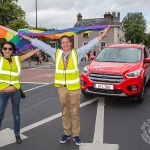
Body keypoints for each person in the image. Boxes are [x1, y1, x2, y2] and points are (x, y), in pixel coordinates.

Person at [21, 26, 110, 146]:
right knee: (65, 112)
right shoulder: (55, 53)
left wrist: (103, 34)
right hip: (62, 88)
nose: (65, 44)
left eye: (67, 42)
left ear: (70, 43)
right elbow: (42, 45)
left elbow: (90, 45)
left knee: (75, 112)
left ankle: (76, 135)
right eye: (63, 42)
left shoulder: (77, 53)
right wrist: (27, 38)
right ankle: (67, 133)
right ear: (60, 44)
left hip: (74, 89)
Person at [0, 41, 40, 144]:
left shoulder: (17, 59)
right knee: (0, 114)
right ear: (2, 49)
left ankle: (17, 134)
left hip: (15, 92)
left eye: (10, 48)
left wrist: (40, 46)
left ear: (12, 50)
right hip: (2, 93)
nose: (7, 50)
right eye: (5, 48)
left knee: (16, 114)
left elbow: (28, 54)